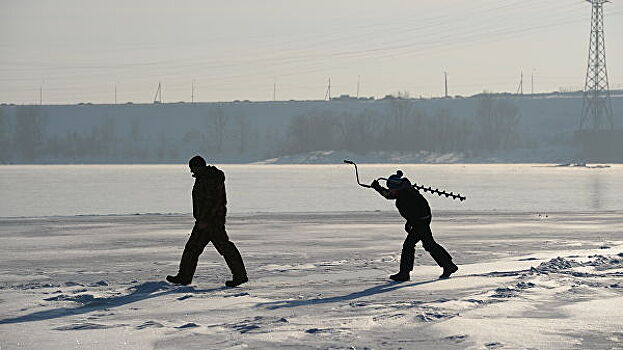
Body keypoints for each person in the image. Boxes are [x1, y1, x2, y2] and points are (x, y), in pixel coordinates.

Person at [167, 155, 248, 287]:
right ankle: (184, 277)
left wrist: (205, 219)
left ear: (198, 166)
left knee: (212, 248)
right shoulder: (206, 177)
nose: (191, 171)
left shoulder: (209, 178)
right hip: (207, 220)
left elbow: (212, 201)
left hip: (210, 222)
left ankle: (240, 275)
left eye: (192, 168)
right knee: (198, 249)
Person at [371, 170, 458, 281]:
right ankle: (448, 265)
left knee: (409, 245)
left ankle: (404, 273)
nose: (391, 191)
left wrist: (411, 222)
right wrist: (378, 188)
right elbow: (390, 195)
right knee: (428, 244)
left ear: (397, 187)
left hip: (420, 222)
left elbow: (413, 211)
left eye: (392, 188)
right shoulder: (403, 191)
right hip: (421, 221)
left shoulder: (407, 194)